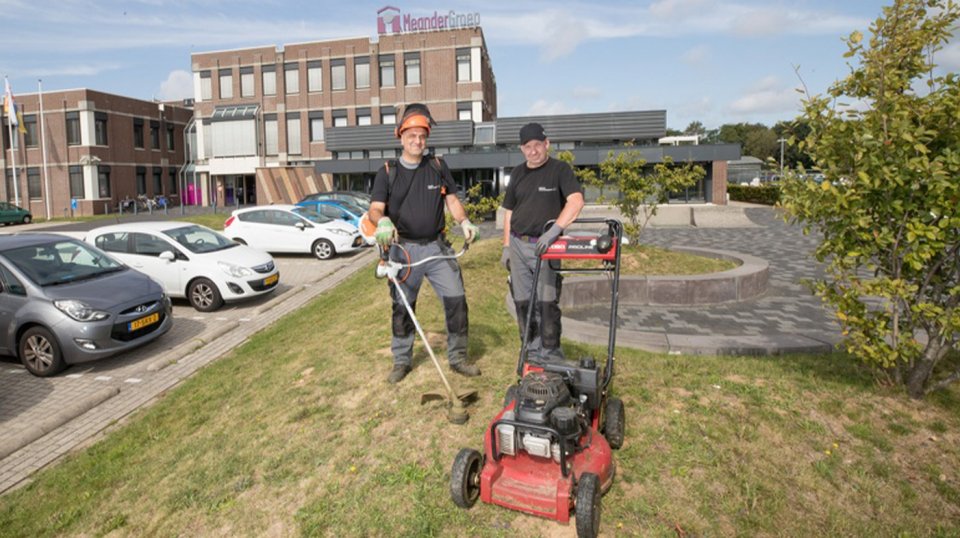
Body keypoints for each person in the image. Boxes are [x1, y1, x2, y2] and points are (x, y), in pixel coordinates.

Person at [368, 103, 482, 384]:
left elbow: (452, 200)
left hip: (436, 248)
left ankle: (457, 358)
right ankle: (402, 360)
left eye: (422, 136)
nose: (417, 141)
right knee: (402, 306)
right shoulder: (387, 171)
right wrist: (382, 221)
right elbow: (374, 208)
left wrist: (464, 221)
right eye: (412, 136)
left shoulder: (437, 166)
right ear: (401, 136)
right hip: (403, 251)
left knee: (456, 299)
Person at [501, 122, 585, 361]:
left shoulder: (559, 170)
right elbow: (508, 212)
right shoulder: (517, 173)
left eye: (538, 145)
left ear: (547, 144)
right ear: (522, 149)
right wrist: (506, 246)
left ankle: (550, 352)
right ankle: (530, 350)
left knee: (547, 301)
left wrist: (555, 230)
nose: (533, 150)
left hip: (547, 246)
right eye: (528, 146)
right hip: (518, 244)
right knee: (522, 300)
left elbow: (576, 201)